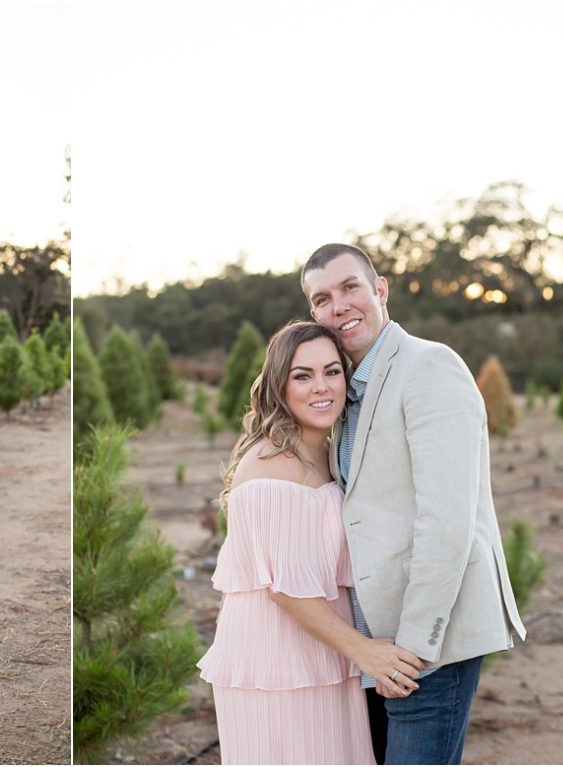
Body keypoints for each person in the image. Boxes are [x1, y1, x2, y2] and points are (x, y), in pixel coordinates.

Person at [301, 243, 527, 764]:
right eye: (321, 299)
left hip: (427, 640)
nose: (337, 307)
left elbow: (447, 522)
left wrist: (415, 647)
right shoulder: (344, 393)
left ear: (380, 290)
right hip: (374, 643)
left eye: (350, 287)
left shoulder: (429, 367)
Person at [198, 321, 423, 765]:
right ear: (279, 386)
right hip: (277, 662)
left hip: (324, 650)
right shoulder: (270, 466)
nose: (321, 387)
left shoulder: (325, 451)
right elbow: (287, 588)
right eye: (303, 375)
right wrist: (367, 653)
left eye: (332, 372)